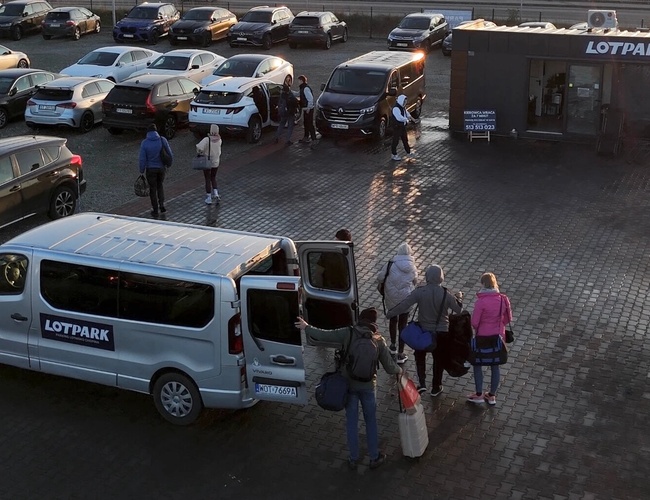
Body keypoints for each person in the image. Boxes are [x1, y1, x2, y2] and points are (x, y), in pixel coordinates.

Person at [295, 308, 402, 470]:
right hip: (368, 387)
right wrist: (400, 371)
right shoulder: (378, 340)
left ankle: (353, 458)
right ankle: (374, 457)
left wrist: (306, 327)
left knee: (352, 421)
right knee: (371, 421)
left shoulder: (348, 333)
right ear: (374, 323)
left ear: (360, 319)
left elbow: (324, 334)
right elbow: (390, 367)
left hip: (349, 384)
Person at [386, 265, 463, 396]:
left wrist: (390, 314)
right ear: (441, 277)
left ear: (427, 276)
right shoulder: (446, 294)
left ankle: (422, 383)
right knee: (438, 359)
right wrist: (459, 298)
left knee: (420, 355)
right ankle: (436, 386)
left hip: (423, 332)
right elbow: (458, 310)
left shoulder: (420, 292)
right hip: (441, 333)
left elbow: (404, 304)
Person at [468, 272, 512, 406]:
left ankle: (479, 394)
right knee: (495, 365)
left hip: (482, 336)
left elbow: (474, 322)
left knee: (477, 364)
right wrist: (498, 325)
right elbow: (508, 318)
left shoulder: (481, 302)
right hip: (498, 337)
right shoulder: (503, 299)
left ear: (482, 284)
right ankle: (492, 395)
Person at [376, 242, 418, 364]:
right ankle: (401, 352)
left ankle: (392, 346)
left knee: (393, 320)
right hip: (406, 299)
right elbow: (415, 282)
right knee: (403, 324)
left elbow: (380, 278)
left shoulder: (390, 264)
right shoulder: (413, 267)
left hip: (391, 297)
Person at [139, 123, 172, 217]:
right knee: (160, 186)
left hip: (150, 170)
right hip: (161, 169)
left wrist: (141, 170)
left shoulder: (145, 143)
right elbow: (170, 153)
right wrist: (169, 164)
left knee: (152, 189)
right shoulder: (162, 140)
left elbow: (142, 159)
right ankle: (162, 205)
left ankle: (155, 209)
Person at [196, 124, 223, 205]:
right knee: (213, 178)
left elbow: (199, 147)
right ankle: (216, 194)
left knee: (207, 179)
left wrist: (200, 153)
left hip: (207, 162)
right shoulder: (219, 140)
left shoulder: (207, 139)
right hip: (216, 162)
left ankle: (209, 197)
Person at [274, 74, 298, 146]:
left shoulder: (282, 96)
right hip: (290, 113)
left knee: (281, 124)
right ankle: (287, 140)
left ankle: (277, 137)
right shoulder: (291, 95)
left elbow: (279, 103)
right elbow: (295, 102)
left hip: (283, 113)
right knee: (290, 127)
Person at [391, 94, 414, 161]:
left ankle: (408, 152)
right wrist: (406, 119)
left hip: (402, 126)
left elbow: (407, 113)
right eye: (404, 102)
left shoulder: (402, 107)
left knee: (405, 140)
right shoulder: (396, 108)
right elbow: (399, 118)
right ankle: (394, 154)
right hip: (397, 127)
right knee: (395, 141)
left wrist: (412, 118)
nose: (405, 103)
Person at [297, 75, 317, 144]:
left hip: (308, 109)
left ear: (301, 81)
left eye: (299, 81)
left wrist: (308, 108)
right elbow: (298, 94)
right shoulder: (303, 88)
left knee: (309, 124)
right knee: (306, 123)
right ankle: (306, 137)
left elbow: (310, 99)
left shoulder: (305, 89)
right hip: (306, 108)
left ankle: (314, 139)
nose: (298, 82)